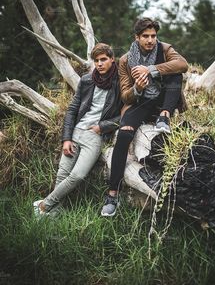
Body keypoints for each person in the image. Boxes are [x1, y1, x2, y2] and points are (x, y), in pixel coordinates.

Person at [101, 17, 188, 217]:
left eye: (153, 36)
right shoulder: (125, 60)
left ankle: (164, 117)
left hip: (163, 101)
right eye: (145, 37)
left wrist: (151, 70)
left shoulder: (164, 49)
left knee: (176, 73)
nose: (150, 40)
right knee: (123, 136)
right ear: (137, 37)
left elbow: (183, 64)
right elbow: (125, 95)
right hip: (140, 103)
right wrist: (137, 88)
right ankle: (113, 194)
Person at [34, 43, 121, 217]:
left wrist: (102, 127)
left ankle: (44, 205)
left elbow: (124, 116)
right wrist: (66, 138)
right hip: (76, 132)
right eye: (96, 60)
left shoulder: (120, 83)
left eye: (103, 59)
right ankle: (53, 214)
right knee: (62, 174)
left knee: (77, 175)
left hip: (95, 135)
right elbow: (72, 109)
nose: (100, 64)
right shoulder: (87, 80)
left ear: (112, 59)